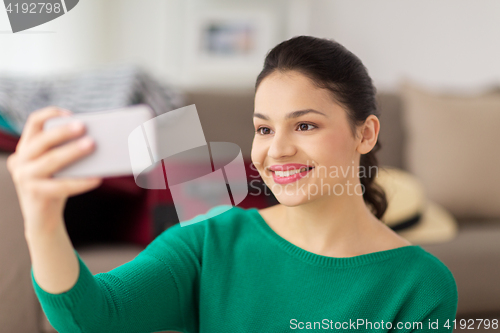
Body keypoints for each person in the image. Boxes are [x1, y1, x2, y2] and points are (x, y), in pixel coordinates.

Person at [7, 36, 458, 333]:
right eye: (264, 129)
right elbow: (92, 317)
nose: (276, 151)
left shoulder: (420, 285)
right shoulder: (209, 241)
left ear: (366, 133)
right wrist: (42, 221)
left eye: (304, 126)